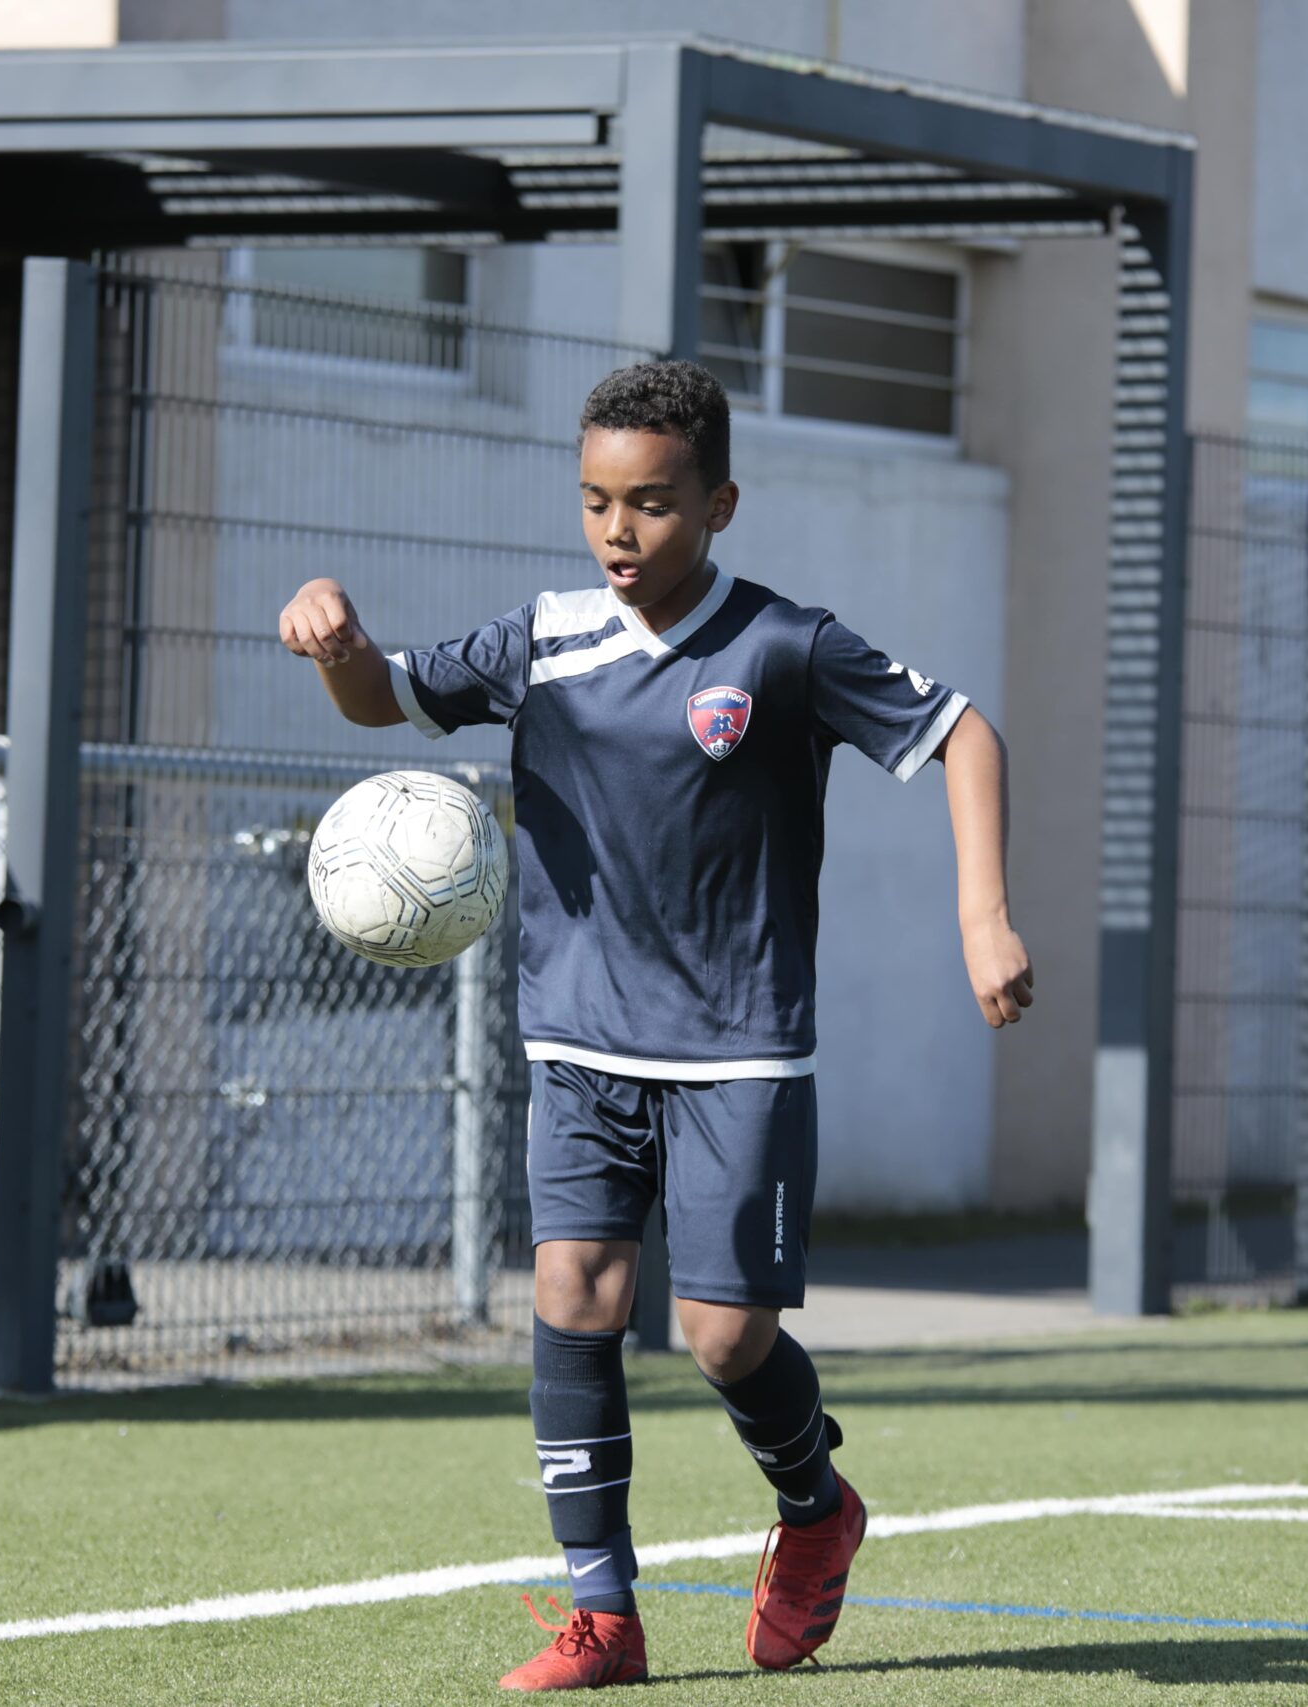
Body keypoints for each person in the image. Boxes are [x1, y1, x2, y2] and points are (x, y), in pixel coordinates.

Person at [276, 360, 1032, 1690]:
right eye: (597, 502)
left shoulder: (784, 647)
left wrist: (984, 919)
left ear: (720, 504)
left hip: (739, 1041)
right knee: (573, 1290)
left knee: (724, 1337)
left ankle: (818, 1509)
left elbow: (966, 734)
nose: (620, 532)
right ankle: (603, 1616)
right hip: (578, 1034)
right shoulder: (542, 638)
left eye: (654, 505)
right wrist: (341, 648)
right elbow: (385, 695)